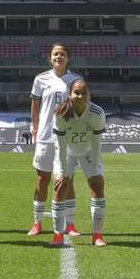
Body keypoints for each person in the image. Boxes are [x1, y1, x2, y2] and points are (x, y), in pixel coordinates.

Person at [28, 43, 83, 237]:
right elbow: (35, 106)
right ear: (50, 58)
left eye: (62, 54)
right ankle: (37, 223)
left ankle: (70, 224)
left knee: (68, 180)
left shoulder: (76, 80)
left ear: (68, 57)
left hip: (67, 137)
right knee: (42, 179)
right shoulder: (40, 79)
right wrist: (34, 127)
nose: (58, 57)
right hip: (45, 135)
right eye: (55, 54)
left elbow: (81, 106)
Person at [50, 79, 107, 247]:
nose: (80, 96)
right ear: (70, 94)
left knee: (97, 186)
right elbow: (60, 145)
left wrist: (96, 168)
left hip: (89, 152)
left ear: (89, 94)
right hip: (67, 152)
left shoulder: (97, 113)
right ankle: (58, 235)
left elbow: (97, 143)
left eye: (84, 93)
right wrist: (60, 170)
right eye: (76, 92)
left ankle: (97, 235)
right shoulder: (60, 112)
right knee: (60, 186)